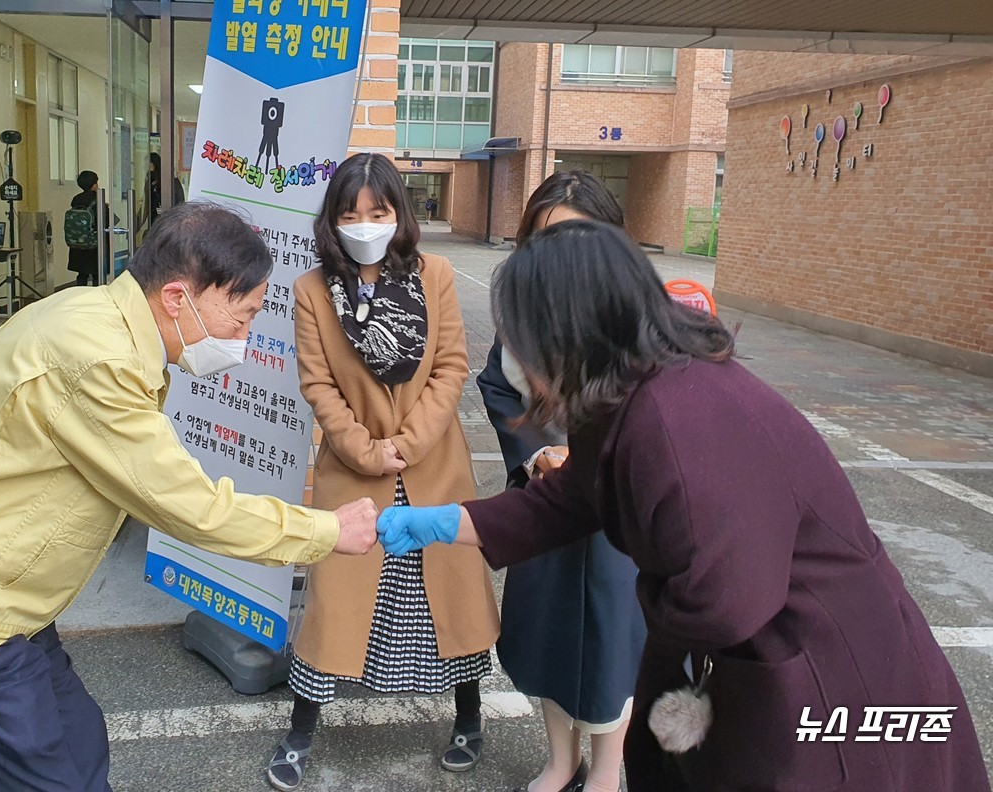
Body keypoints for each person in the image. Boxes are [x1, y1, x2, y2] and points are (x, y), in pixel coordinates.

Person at [377, 220, 991, 792]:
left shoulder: (679, 420)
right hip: (761, 656)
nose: (515, 363)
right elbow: (571, 497)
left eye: (522, 341)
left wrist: (634, 621)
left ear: (567, 332)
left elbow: (724, 602)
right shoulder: (627, 392)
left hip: (829, 675)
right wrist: (448, 522)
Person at [0, 202, 380, 792]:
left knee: (80, 746)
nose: (245, 338)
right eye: (240, 318)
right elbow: (187, 505)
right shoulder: (100, 358)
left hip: (6, 612)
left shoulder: (93, 315)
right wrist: (325, 532)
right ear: (179, 298)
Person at [265, 153, 499, 791]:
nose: (364, 223)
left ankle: (469, 717)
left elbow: (452, 366)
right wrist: (367, 451)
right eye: (350, 213)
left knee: (444, 598)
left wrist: (411, 443)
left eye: (378, 211)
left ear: (399, 215)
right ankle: (301, 730)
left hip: (434, 463)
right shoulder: (314, 290)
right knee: (336, 600)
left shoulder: (437, 275)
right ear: (332, 220)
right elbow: (317, 383)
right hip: (352, 465)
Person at [476, 172, 644, 792]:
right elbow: (497, 386)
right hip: (547, 505)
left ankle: (606, 769)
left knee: (612, 641)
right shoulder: (520, 317)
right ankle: (560, 760)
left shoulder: (634, 318)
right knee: (545, 633)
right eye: (548, 237)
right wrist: (540, 452)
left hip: (612, 512)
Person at [66, 170, 110, 287]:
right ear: (94, 185)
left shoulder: (76, 199)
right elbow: (107, 221)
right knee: (97, 275)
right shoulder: (98, 199)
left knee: (82, 274)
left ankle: (80, 296)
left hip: (78, 243)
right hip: (94, 243)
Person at [148, 152, 186, 227]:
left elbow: (179, 201)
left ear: (153, 164)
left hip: (169, 220)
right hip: (155, 221)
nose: (144, 166)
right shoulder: (149, 180)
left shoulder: (171, 181)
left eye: (147, 163)